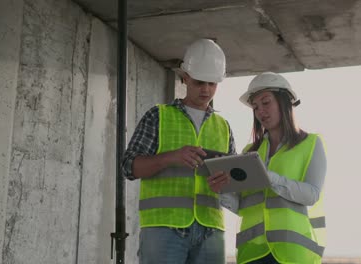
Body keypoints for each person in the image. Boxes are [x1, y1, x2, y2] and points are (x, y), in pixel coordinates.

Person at [122, 39, 236, 264]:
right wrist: (171, 157)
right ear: (185, 77)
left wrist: (227, 181)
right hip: (164, 228)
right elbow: (128, 167)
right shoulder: (158, 115)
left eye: (212, 84)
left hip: (210, 228)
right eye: (199, 82)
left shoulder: (224, 126)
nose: (206, 90)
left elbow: (233, 184)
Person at [208, 72, 327, 264]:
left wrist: (270, 177)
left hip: (292, 254)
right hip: (252, 252)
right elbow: (243, 206)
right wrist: (222, 190)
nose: (260, 111)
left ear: (284, 102)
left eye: (266, 103)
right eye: (255, 107)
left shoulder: (311, 144)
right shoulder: (249, 152)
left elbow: (311, 194)